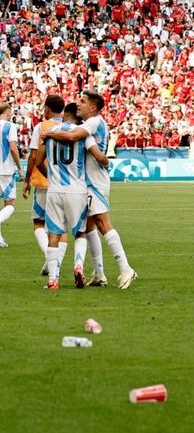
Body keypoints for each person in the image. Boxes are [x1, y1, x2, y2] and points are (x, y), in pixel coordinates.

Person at [43, 91, 138, 289]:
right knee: (89, 228)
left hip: (96, 183)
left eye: (83, 102)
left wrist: (50, 133)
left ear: (93, 107)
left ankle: (125, 268)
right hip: (86, 183)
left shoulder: (93, 123)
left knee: (103, 224)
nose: (79, 104)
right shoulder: (90, 125)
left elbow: (73, 136)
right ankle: (100, 273)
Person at [36, 103, 109, 289]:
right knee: (80, 233)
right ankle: (78, 266)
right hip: (77, 189)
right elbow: (97, 156)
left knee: (54, 235)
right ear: (74, 115)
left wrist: (51, 177)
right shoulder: (81, 134)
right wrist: (105, 162)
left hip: (54, 190)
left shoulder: (50, 132)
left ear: (64, 113)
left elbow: (38, 162)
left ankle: (53, 280)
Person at [23, 95, 67, 274]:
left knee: (38, 222)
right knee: (61, 226)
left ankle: (51, 260)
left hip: (44, 180)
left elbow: (34, 156)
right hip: (64, 182)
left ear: (47, 109)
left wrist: (27, 180)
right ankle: (54, 262)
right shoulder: (69, 127)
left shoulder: (41, 127)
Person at [0, 102, 24, 247]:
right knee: (10, 204)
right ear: (7, 112)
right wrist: (20, 168)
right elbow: (13, 148)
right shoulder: (10, 126)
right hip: (5, 170)